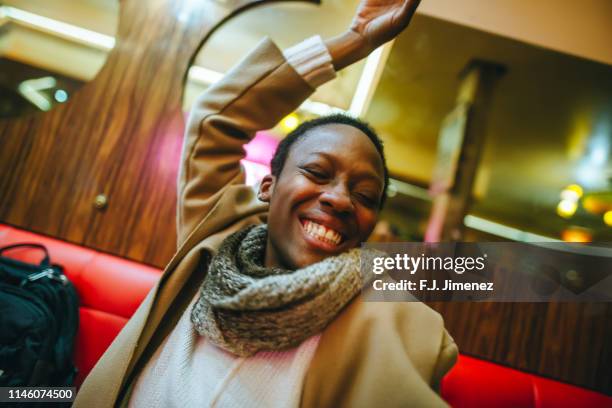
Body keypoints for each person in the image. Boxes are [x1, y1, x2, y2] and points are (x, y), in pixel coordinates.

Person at [74, 0, 457, 406]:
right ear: (268, 187)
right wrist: (355, 41)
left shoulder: (397, 324)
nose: (340, 199)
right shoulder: (216, 240)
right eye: (317, 172)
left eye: (364, 196)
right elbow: (217, 117)